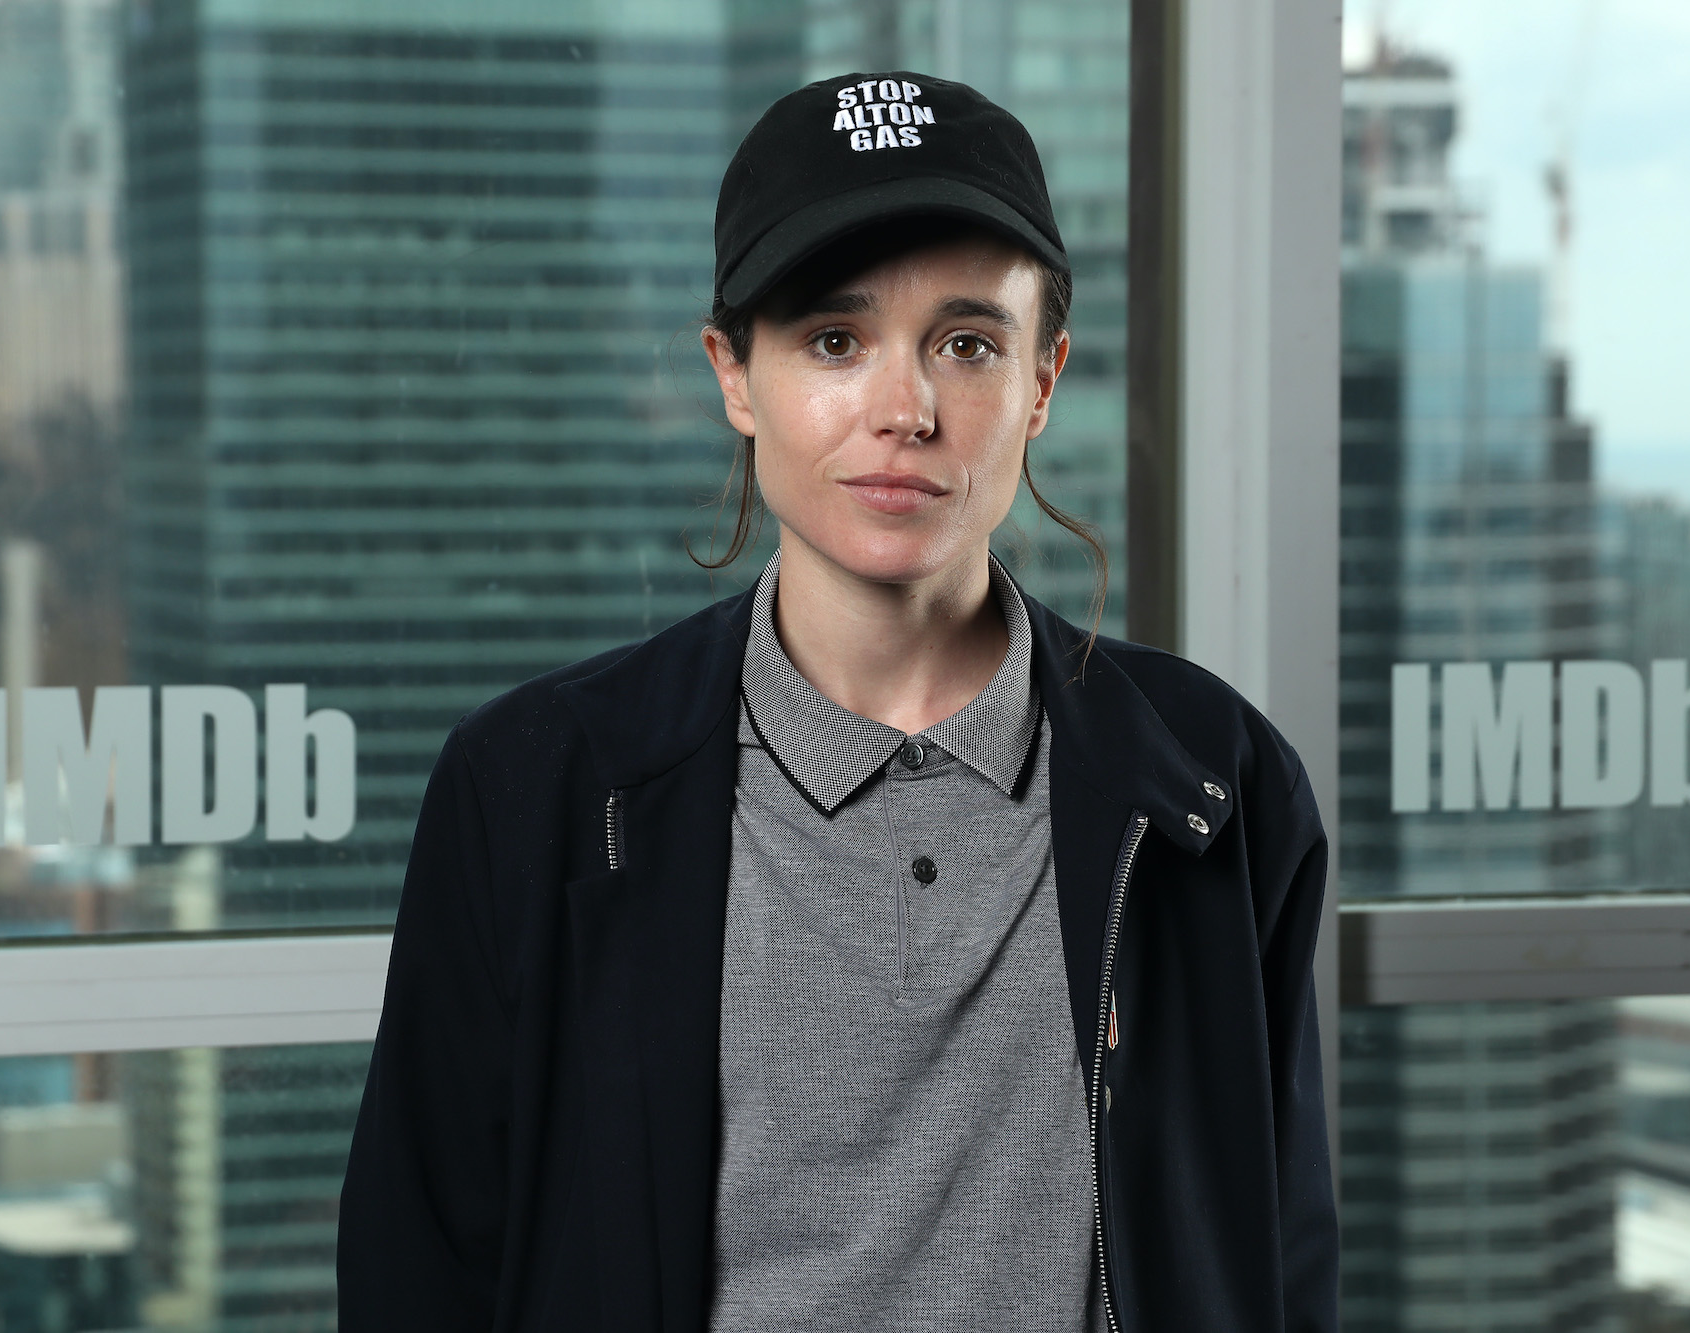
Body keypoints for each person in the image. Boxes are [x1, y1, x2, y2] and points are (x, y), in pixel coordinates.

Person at [338, 72, 1336, 1332]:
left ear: (1041, 380)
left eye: (966, 345)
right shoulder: (530, 788)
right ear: (733, 375)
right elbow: (419, 1270)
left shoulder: (1214, 780)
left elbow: (1276, 1262)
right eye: (831, 341)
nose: (902, 411)